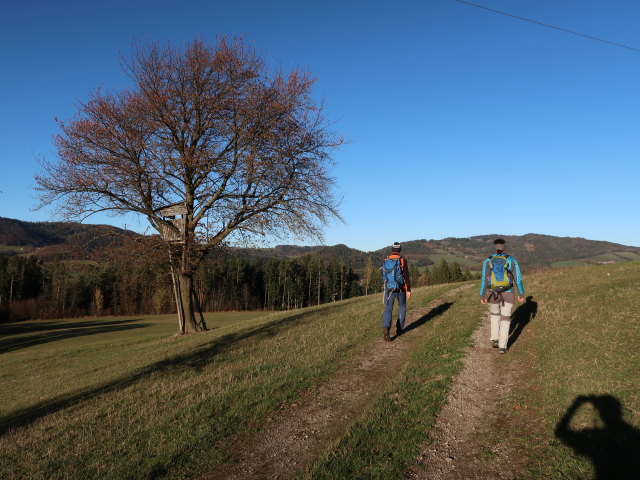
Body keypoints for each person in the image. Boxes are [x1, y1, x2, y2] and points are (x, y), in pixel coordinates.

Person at [479, 238, 524, 353]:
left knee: (495, 314)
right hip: (508, 292)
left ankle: (494, 338)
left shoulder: (488, 260)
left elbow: (484, 279)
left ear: (495, 247)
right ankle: (503, 346)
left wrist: (481, 295)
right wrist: (521, 293)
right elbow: (517, 278)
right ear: (504, 247)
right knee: (505, 318)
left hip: (491, 292)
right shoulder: (511, 260)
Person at [381, 242, 412, 341]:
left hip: (388, 289)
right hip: (400, 289)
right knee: (402, 307)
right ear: (399, 250)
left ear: (392, 249)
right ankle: (399, 329)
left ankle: (386, 327)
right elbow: (406, 276)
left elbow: (384, 275)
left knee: (388, 309)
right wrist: (408, 290)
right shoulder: (402, 260)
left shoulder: (386, 260)